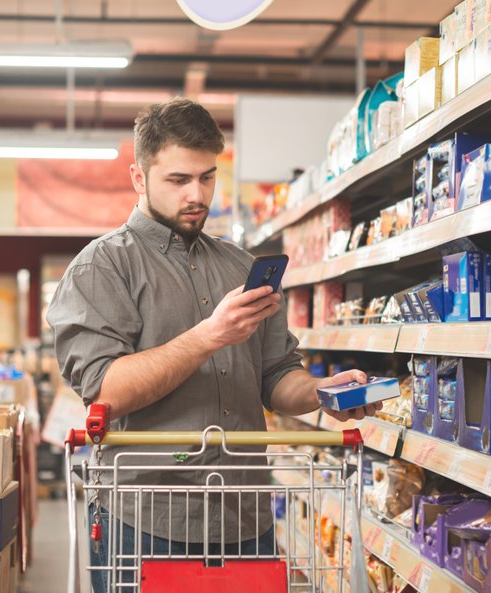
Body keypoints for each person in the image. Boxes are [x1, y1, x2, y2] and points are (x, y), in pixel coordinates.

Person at [46, 98, 380, 593]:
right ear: (139, 178)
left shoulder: (240, 266)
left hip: (245, 517)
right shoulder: (103, 268)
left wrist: (321, 392)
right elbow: (104, 390)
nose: (197, 194)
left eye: (207, 177)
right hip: (149, 522)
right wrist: (209, 336)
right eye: (178, 180)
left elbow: (275, 377)